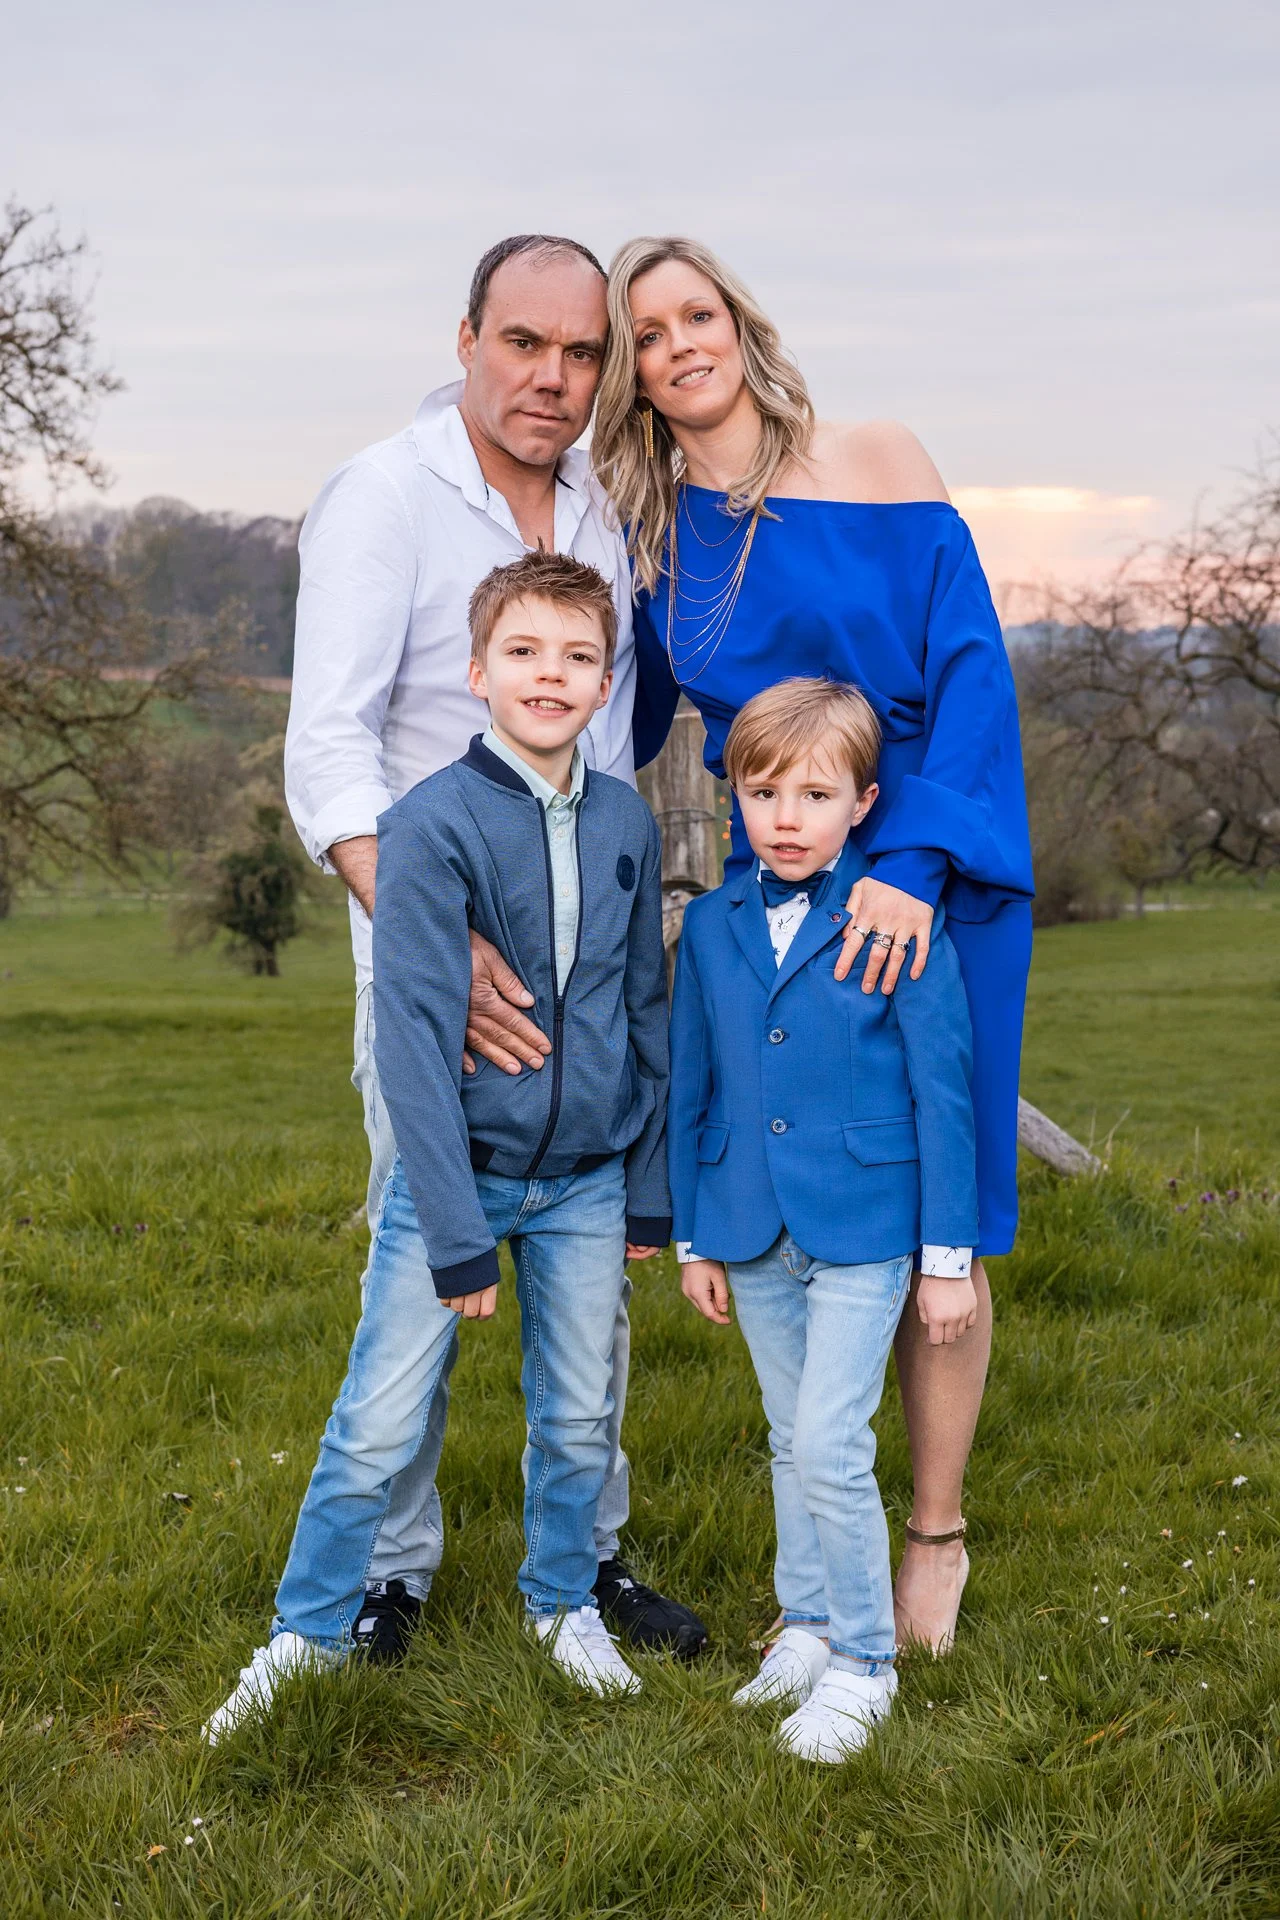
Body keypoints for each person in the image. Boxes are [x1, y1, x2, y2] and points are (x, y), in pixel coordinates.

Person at [591, 234, 1035, 1655]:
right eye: (647, 334)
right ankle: (820, 1546)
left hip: (929, 869)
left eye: (695, 314)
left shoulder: (879, 454)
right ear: (635, 375)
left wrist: (908, 864)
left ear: (739, 320)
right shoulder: (653, 535)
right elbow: (614, 706)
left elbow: (968, 668)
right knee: (814, 1183)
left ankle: (936, 1532)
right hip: (785, 867)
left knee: (933, 1206)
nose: (679, 345)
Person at [282, 233, 705, 1662]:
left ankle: (582, 1563)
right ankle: (388, 1576)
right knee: (422, 1265)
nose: (555, 377)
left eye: (584, 353)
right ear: (466, 334)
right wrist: (436, 942)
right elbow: (329, 749)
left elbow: (615, 743)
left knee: (586, 1293)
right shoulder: (384, 499)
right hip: (422, 951)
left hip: (582, 960)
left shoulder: (603, 516)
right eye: (525, 343)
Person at [205, 552, 674, 1741]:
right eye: (522, 652)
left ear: (606, 679)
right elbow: (413, 1037)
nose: (549, 675)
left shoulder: (625, 816)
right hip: (454, 1182)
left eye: (576, 655)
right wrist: (455, 1232)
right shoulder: (427, 822)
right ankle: (302, 1634)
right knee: (376, 1421)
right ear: (476, 672)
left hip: (583, 1184)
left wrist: (647, 1189)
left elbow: (643, 1008)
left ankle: (559, 1603)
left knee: (578, 1414)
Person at [669, 677, 980, 1762]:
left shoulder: (893, 917)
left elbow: (943, 1097)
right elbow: (692, 1083)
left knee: (827, 1442)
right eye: (763, 793)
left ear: (861, 803)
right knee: (782, 1437)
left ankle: (862, 1661)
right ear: (733, 802)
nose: (786, 817)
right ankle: (801, 1624)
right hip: (746, 1222)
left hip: (867, 1225)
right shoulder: (708, 926)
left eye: (813, 793)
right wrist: (692, 1237)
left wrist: (946, 1261)